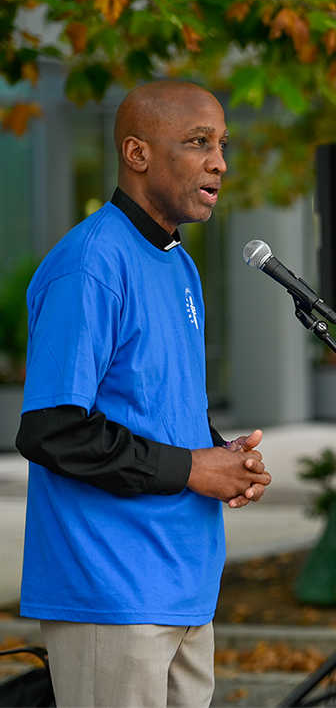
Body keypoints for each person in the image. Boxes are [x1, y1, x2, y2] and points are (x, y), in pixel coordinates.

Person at [16, 81, 271, 708]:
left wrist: (221, 456)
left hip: (185, 584)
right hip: (111, 589)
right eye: (198, 143)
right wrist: (191, 469)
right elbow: (52, 429)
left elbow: (155, 404)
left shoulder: (179, 262)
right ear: (137, 153)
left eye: (222, 144)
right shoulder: (91, 262)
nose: (219, 162)